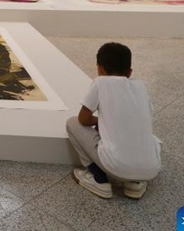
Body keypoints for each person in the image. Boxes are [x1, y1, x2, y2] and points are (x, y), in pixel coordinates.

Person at [66, 42, 161, 200]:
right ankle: (135, 183)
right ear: (130, 72)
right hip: (151, 169)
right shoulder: (141, 86)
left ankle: (99, 179)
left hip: (115, 166)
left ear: (99, 68)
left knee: (72, 123)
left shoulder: (100, 82)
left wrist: (98, 121)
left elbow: (83, 119)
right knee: (145, 138)